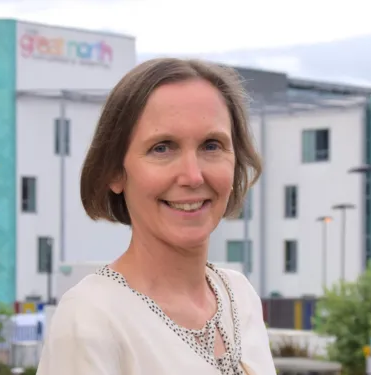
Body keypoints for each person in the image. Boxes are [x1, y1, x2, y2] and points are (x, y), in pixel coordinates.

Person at [36, 58, 276, 375]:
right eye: (162, 148)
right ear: (114, 172)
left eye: (211, 145)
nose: (192, 176)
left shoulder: (239, 297)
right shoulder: (91, 318)